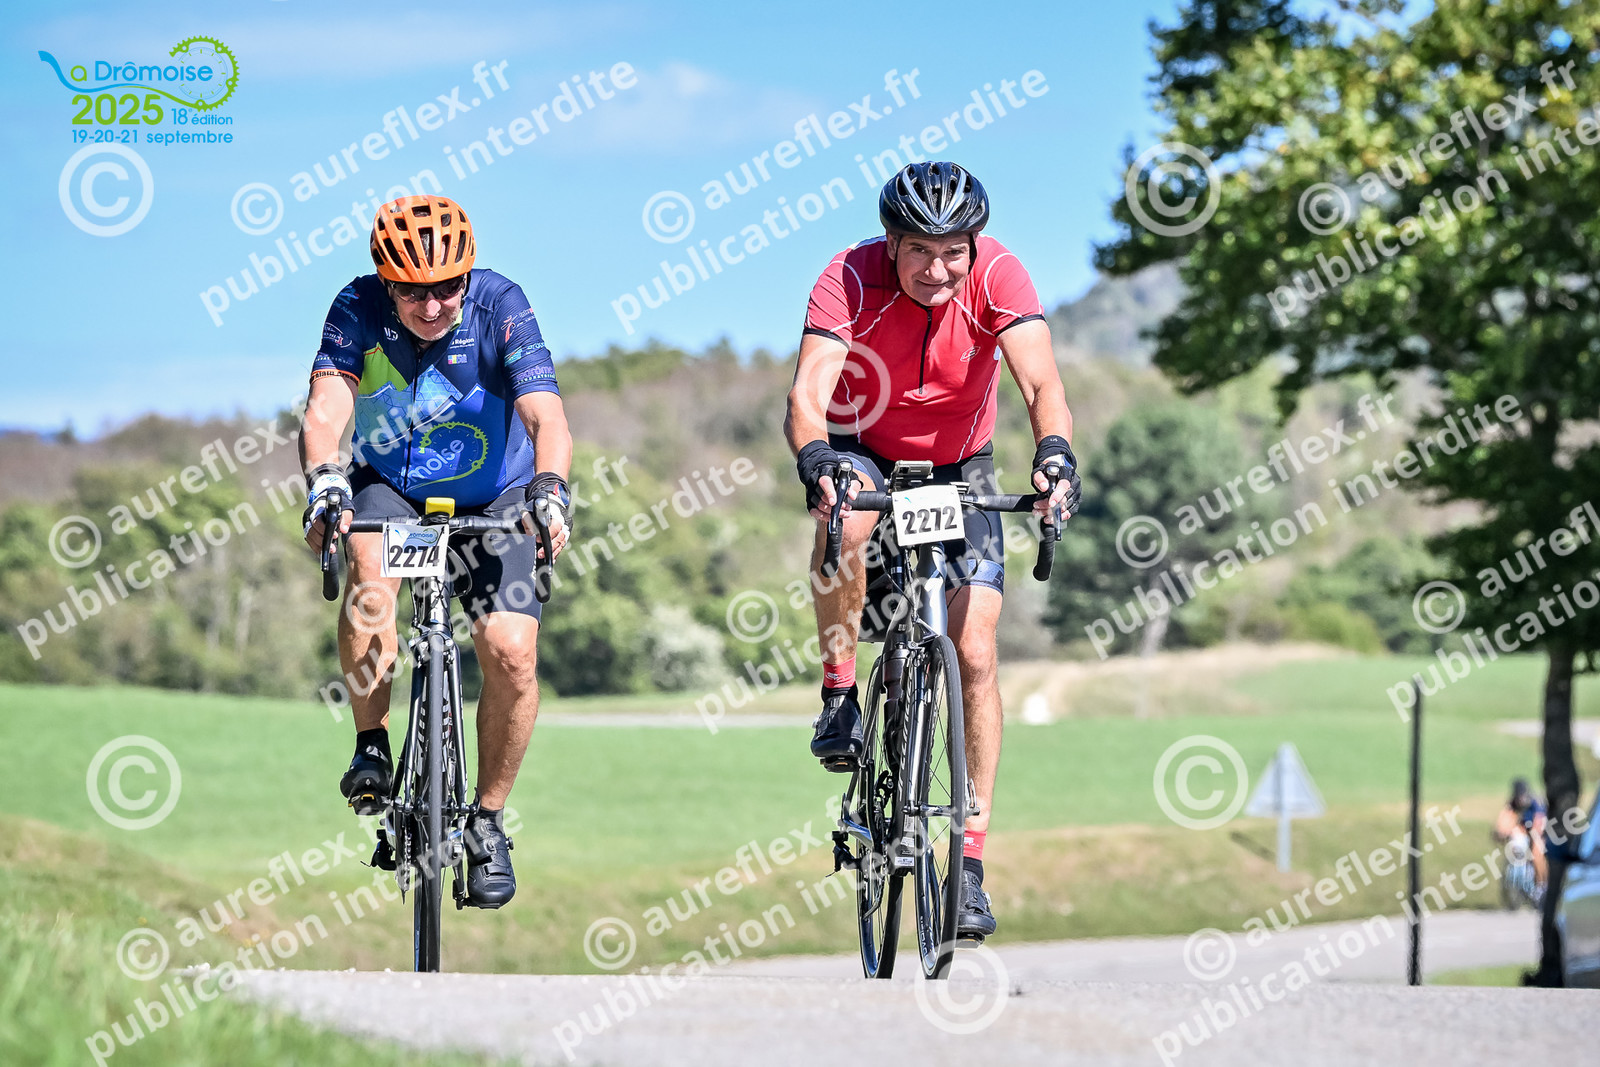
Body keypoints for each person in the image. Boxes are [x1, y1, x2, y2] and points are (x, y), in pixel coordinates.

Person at [783, 161, 1079, 939]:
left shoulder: (1000, 274)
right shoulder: (849, 277)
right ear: (891, 243)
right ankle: (839, 694)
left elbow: (1041, 384)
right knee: (846, 520)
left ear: (974, 246)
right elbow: (808, 393)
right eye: (919, 250)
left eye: (953, 251)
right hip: (862, 447)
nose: (938, 269)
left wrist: (1054, 455)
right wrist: (816, 460)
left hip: (961, 464)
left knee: (975, 649)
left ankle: (969, 864)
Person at [300, 194, 573, 908]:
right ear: (386, 283)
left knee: (511, 650)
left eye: (447, 287)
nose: (431, 306)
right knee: (368, 576)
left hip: (498, 494)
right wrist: (325, 479)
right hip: (391, 487)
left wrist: (550, 487)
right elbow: (327, 409)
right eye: (412, 291)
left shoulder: (501, 304)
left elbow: (546, 415)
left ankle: (487, 822)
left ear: (468, 275)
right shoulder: (356, 306)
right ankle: (371, 742)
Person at [1495, 777, 1548, 888]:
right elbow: (1504, 819)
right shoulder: (1512, 803)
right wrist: (1502, 831)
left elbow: (1539, 822)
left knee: (1537, 852)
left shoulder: (1536, 803)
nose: (1521, 800)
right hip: (1526, 828)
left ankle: (1542, 884)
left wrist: (1534, 833)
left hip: (1542, 828)